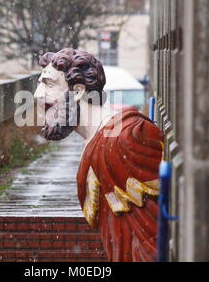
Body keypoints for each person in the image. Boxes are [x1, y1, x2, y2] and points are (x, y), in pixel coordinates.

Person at [34, 48, 163, 262]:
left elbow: (152, 233)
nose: (38, 95)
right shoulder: (98, 140)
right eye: (39, 83)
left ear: (77, 91)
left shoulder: (126, 137)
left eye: (48, 84)